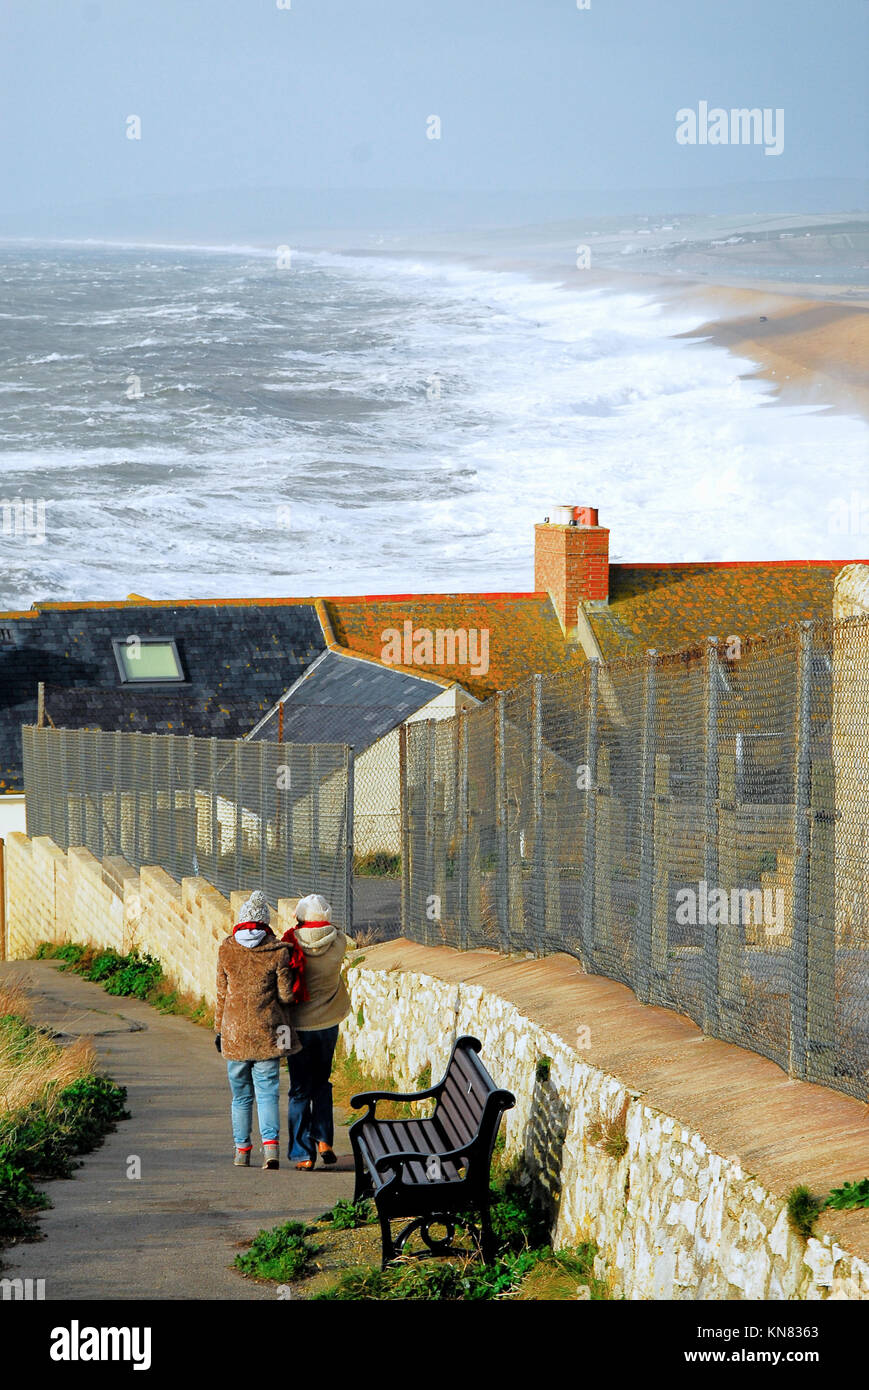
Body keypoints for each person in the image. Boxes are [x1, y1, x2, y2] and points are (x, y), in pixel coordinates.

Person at [214, 890, 303, 1169]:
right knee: (267, 1093)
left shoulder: (226, 949)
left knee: (240, 1096)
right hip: (268, 1033)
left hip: (234, 1033)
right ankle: (271, 1150)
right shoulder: (277, 952)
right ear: (265, 924)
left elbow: (220, 995)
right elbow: (287, 996)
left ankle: (242, 1151)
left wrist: (219, 1030)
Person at [281, 893, 351, 1170]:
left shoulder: (289, 945)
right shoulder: (339, 942)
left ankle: (302, 1154)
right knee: (322, 1083)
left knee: (299, 1089)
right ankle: (324, 1141)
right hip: (327, 1024)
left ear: (300, 918)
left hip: (298, 1027)